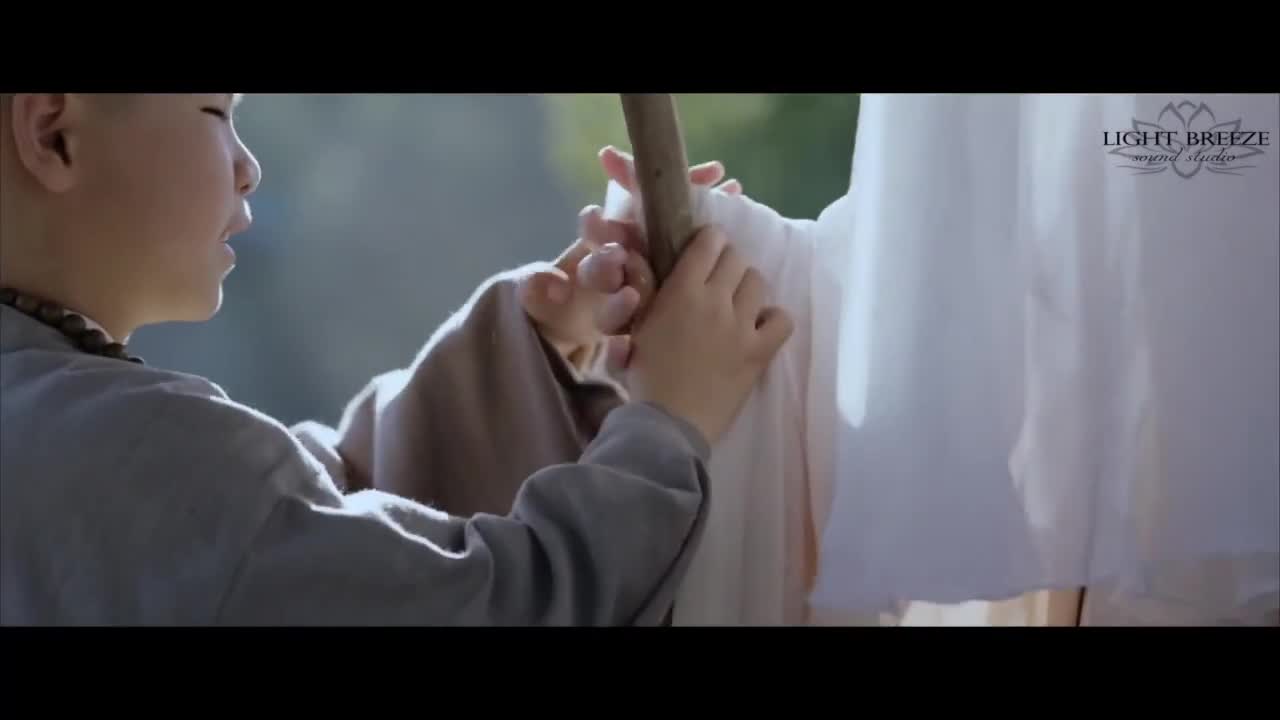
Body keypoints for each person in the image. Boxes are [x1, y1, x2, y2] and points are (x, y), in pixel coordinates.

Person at [0, 93, 793, 625]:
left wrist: (529, 344)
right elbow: (488, 605)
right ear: (52, 132)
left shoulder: (62, 438)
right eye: (215, 111)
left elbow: (321, 524)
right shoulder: (128, 461)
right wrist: (668, 424)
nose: (248, 166)